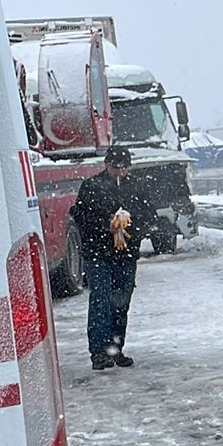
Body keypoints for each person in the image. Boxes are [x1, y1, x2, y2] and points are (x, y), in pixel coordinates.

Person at [71, 145, 153, 370]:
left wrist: (132, 228)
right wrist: (105, 225)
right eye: (116, 168)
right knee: (101, 300)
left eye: (124, 168)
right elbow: (81, 217)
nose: (120, 173)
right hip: (98, 253)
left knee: (121, 302)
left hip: (126, 254)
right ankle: (98, 352)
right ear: (107, 165)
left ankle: (115, 348)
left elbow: (148, 216)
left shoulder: (137, 186)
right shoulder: (91, 187)